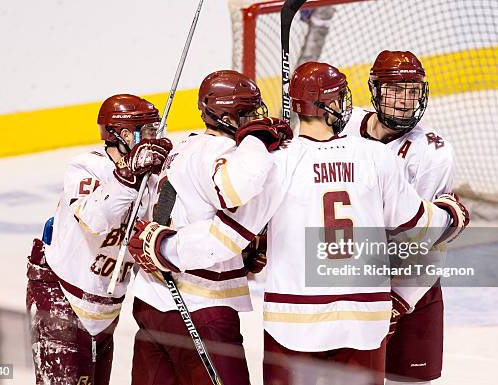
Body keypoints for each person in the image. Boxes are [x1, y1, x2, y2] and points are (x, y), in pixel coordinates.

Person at [130, 62, 469, 385]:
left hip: (294, 321)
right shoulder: (378, 158)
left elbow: (224, 240)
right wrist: (452, 215)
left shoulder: (276, 164)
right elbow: (420, 227)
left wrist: (163, 247)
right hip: (363, 318)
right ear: (332, 104)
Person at [129, 70, 292, 385]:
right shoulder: (225, 154)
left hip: (152, 302)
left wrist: (244, 257)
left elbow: (188, 211)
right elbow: (231, 204)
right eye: (247, 113)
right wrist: (258, 143)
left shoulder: (185, 146)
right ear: (227, 115)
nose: (255, 119)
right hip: (201, 307)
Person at [25, 94, 172, 385]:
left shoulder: (153, 178)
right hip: (61, 294)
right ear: (125, 134)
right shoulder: (86, 167)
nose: (156, 137)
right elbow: (95, 220)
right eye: (150, 130)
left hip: (105, 306)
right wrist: (128, 173)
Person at [342, 50, 453, 384]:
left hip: (411, 285)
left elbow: (424, 239)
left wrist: (397, 301)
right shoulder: (341, 127)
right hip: (347, 286)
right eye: (395, 90)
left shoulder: (433, 152)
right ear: (375, 89)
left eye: (413, 90)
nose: (405, 101)